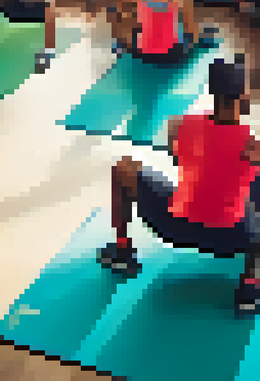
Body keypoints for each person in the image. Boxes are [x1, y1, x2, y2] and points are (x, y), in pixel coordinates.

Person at [99, 57, 260, 313]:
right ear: (243, 96)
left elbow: (179, 159)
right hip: (234, 238)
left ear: (212, 92)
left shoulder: (181, 125)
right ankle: (250, 288)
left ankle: (122, 250)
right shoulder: (252, 146)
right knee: (252, 192)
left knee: (123, 167)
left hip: (173, 226)